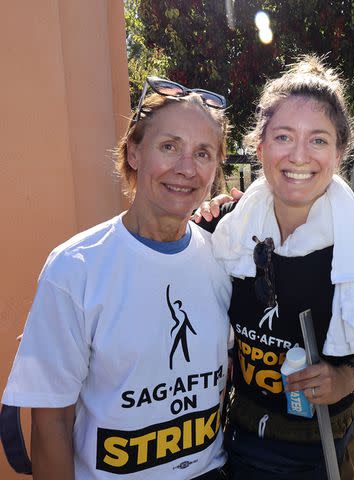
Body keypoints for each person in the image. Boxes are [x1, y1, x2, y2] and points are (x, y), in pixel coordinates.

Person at [2, 77, 232, 479]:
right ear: (134, 153)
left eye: (203, 153)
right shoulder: (76, 268)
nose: (186, 168)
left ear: (215, 168)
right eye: (169, 146)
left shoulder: (224, 259)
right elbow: (50, 423)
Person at [195, 56, 354, 479]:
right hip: (240, 441)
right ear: (260, 146)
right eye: (284, 136)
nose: (299, 156)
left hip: (329, 445)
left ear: (340, 153)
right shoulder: (225, 232)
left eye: (319, 140)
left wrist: (347, 379)